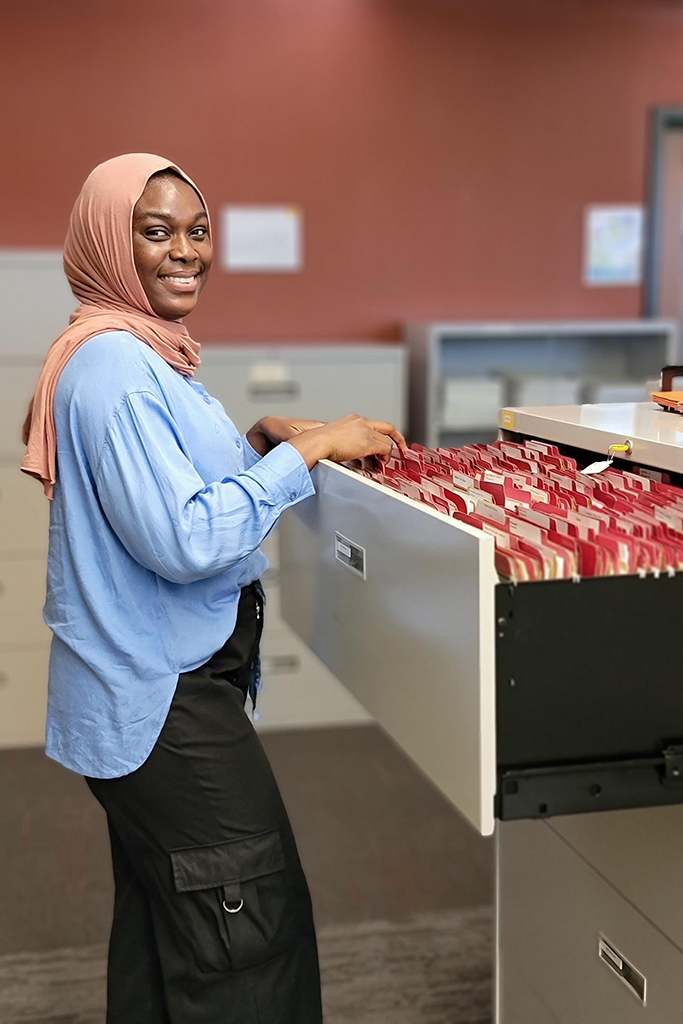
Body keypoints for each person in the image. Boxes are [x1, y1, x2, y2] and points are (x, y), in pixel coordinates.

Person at [21, 153, 407, 1024]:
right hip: (165, 702)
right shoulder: (116, 368)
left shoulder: (141, 352)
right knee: (247, 935)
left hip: (155, 695)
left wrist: (253, 437)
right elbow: (186, 537)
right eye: (154, 232)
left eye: (197, 231)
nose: (185, 251)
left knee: (172, 931)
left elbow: (163, 484)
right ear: (106, 243)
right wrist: (300, 455)